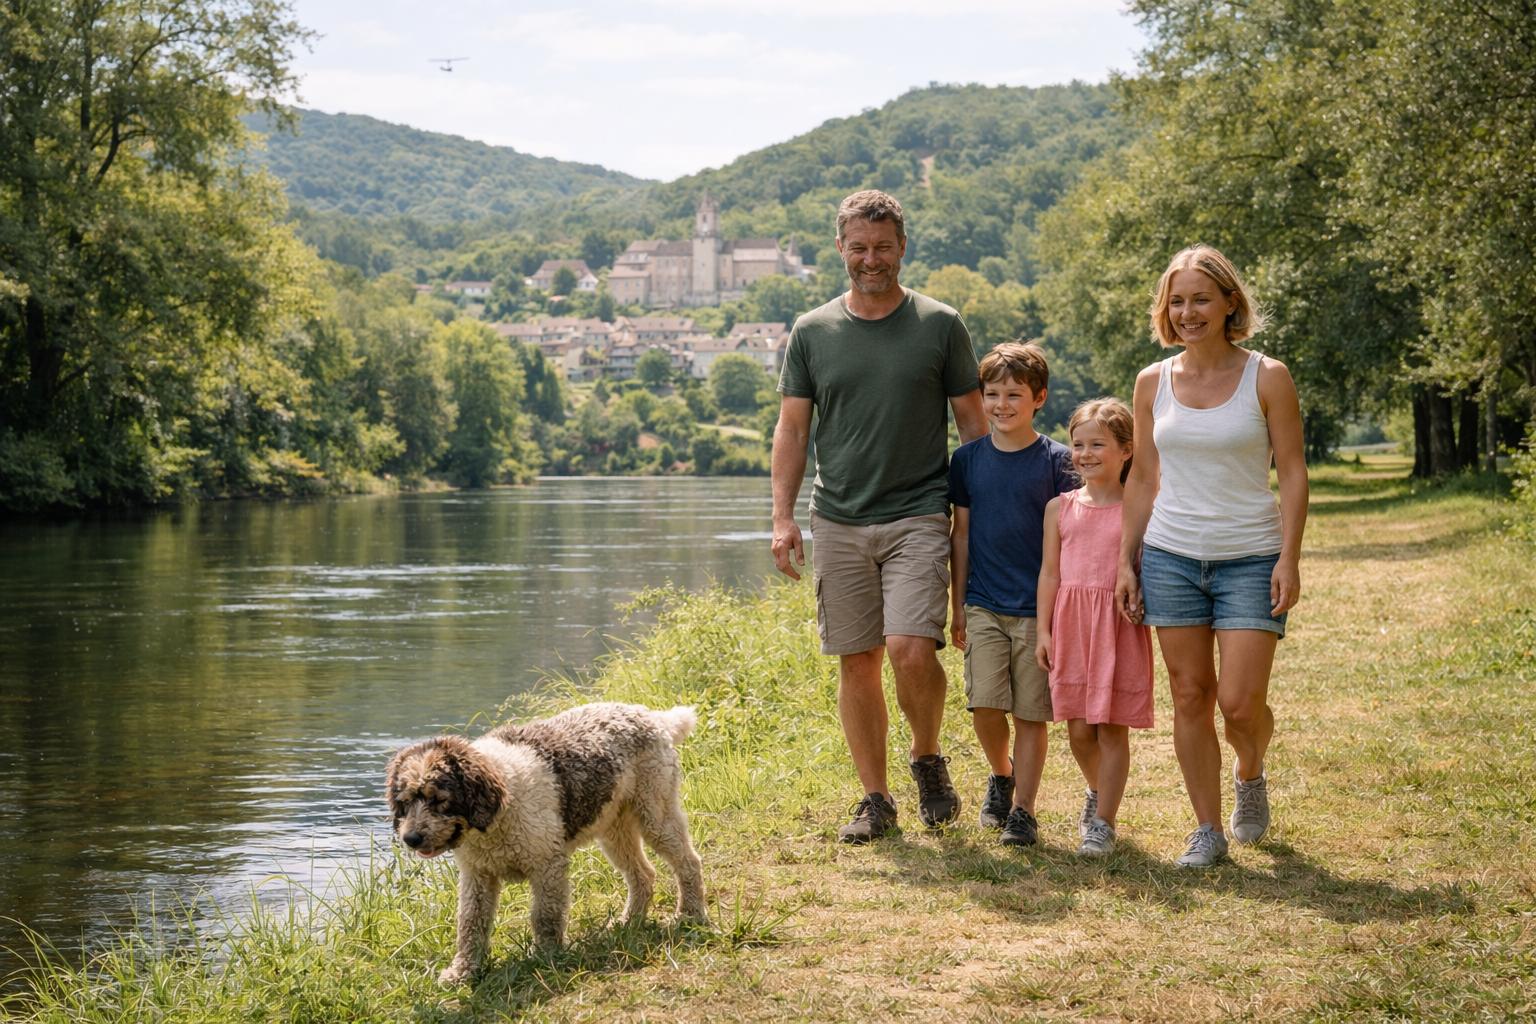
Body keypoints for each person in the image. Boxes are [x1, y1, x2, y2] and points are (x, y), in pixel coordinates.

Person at [771, 189, 988, 844]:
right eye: (859, 248)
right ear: (841, 248)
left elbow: (973, 424)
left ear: (902, 247)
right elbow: (791, 430)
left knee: (910, 649)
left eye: (883, 248)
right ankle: (875, 798)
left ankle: (926, 758)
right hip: (837, 516)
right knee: (856, 660)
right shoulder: (812, 331)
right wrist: (782, 517)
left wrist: (988, 511)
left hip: (920, 510)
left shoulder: (940, 324)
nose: (872, 260)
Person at [1114, 244, 1308, 868]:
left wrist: (1289, 557)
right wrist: (1127, 559)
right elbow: (1142, 477)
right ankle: (1206, 829)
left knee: (1239, 704)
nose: (1189, 312)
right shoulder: (1152, 382)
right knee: (1190, 693)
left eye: (1201, 299)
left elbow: (1295, 472)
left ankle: (1249, 772)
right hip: (1171, 555)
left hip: (1250, 556)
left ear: (1230, 303)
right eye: (1178, 301)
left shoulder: (1267, 376)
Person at [947, 342, 1075, 848]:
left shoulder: (1059, 462)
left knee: (1030, 713)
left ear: (1038, 397)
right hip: (982, 603)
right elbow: (960, 533)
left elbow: (1072, 537)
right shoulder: (967, 460)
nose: (1002, 404)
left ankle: (1024, 810)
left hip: (1036, 609)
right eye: (992, 393)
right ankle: (1001, 775)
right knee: (984, 705)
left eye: (1014, 394)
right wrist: (958, 604)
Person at [1036, 398, 1154, 857]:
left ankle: (1103, 822)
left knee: (1111, 729)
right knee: (1079, 730)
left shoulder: (1139, 507)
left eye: (1097, 444)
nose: (1084, 454)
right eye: (1078, 444)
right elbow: (1049, 573)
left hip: (1117, 627)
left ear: (1127, 450)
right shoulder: (1058, 508)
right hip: (1071, 626)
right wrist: (1044, 631)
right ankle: (1097, 790)